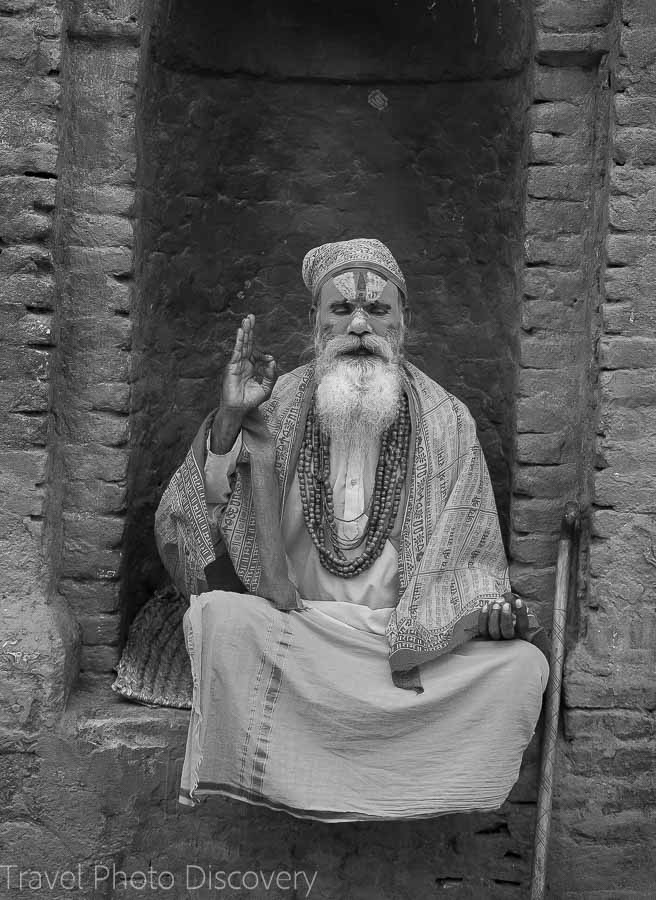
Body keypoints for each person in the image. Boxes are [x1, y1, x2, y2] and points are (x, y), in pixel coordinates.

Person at [155, 238, 549, 821]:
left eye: (378, 311)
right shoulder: (277, 401)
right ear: (315, 323)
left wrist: (485, 611)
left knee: (522, 668)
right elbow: (186, 524)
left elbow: (473, 562)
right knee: (219, 618)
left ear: (403, 322)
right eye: (341, 310)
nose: (360, 325)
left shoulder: (447, 420)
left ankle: (372, 777)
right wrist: (230, 423)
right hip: (295, 632)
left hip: (401, 639)